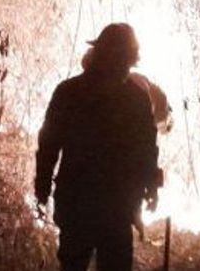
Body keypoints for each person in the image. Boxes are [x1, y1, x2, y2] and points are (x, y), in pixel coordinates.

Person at [35, 23, 160, 271]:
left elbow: (49, 144)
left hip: (79, 204)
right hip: (116, 208)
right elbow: (147, 151)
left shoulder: (69, 92)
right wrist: (151, 187)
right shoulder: (135, 99)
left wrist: (42, 187)